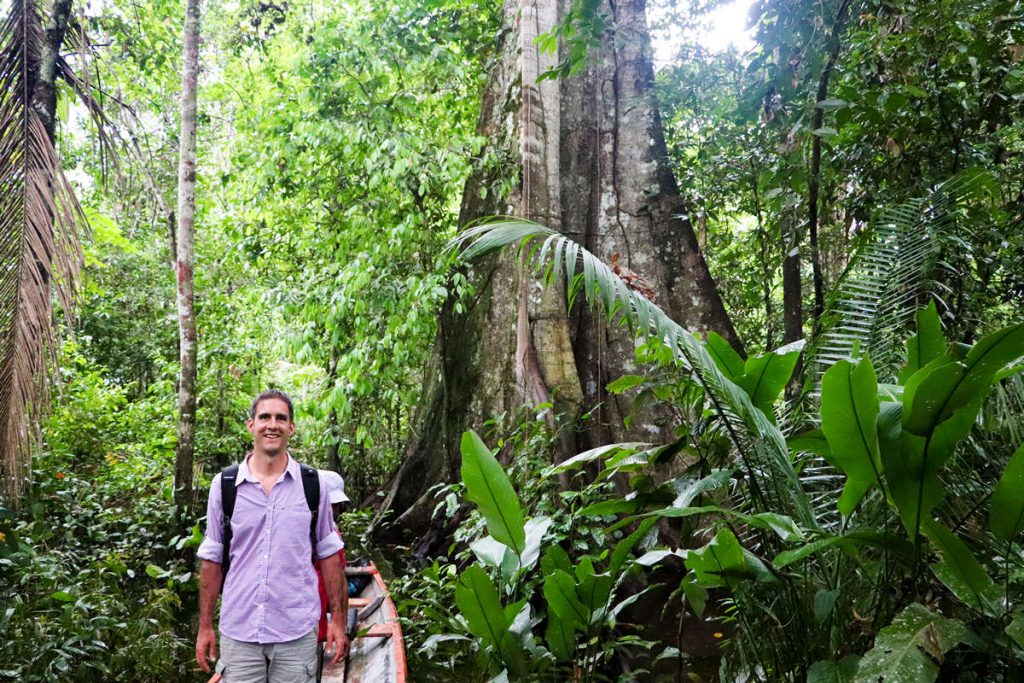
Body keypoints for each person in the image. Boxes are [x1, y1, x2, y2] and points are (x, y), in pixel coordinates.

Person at [195, 390, 348, 682]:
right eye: (264, 417)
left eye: (281, 417)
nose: (272, 424)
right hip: (239, 631)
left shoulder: (312, 484)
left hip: (296, 631)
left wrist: (338, 622)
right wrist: (204, 625)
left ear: (291, 427)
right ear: (251, 425)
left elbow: (330, 558)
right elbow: (212, 560)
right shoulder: (224, 484)